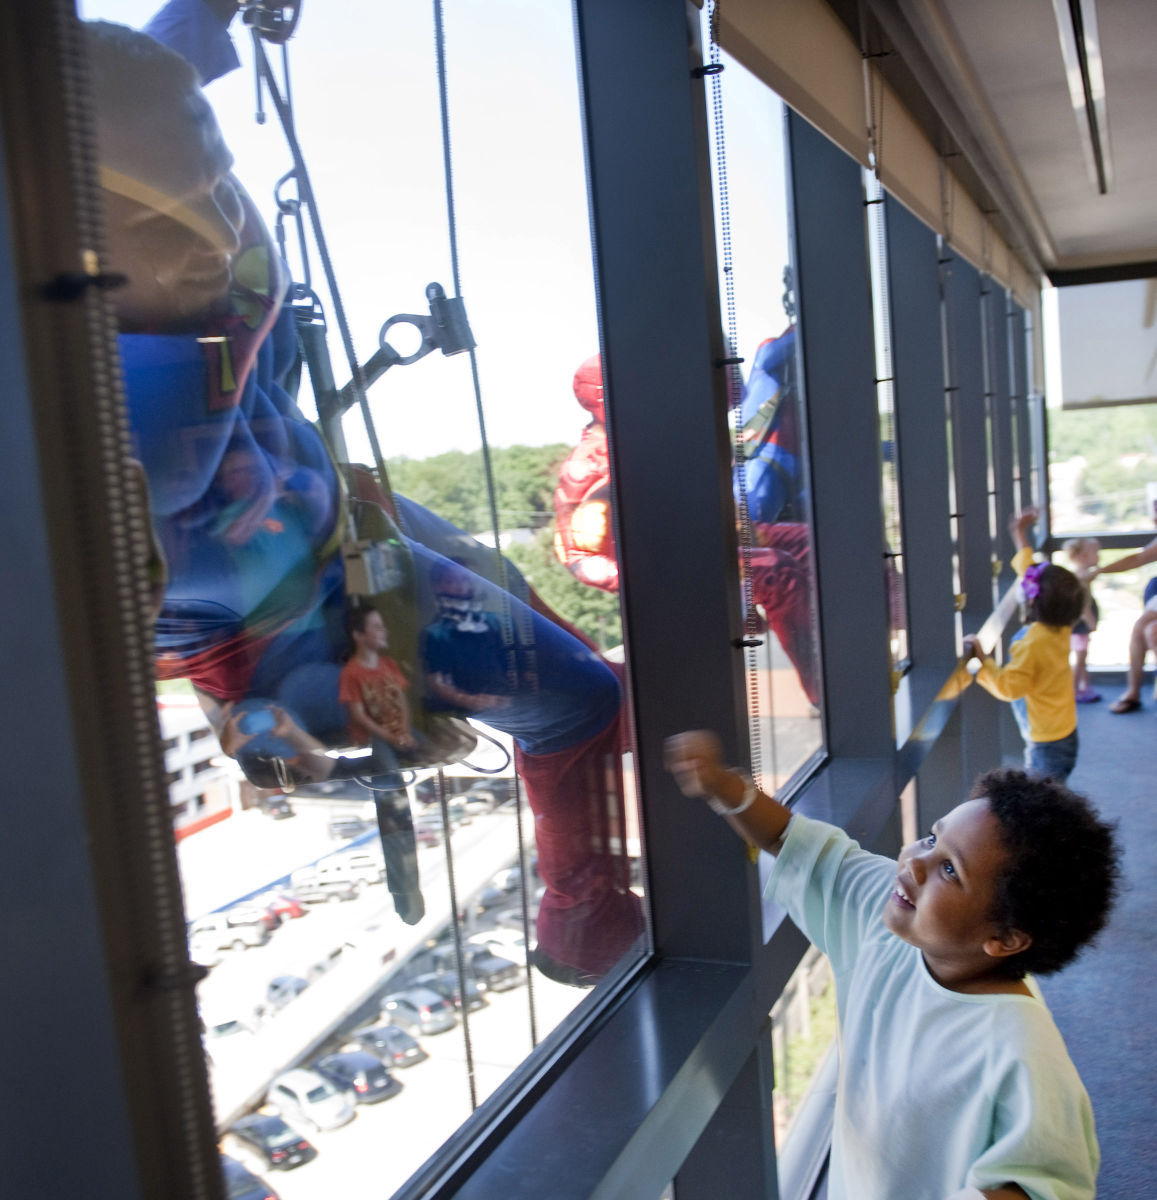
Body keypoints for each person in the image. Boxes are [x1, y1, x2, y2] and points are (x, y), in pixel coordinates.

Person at [91, 4, 642, 979]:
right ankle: (577, 908)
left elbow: (138, 85)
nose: (219, 227)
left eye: (218, 183)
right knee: (578, 702)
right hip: (285, 610)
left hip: (327, 532)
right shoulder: (116, 417)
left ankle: (270, 717)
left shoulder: (122, 176)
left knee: (510, 601)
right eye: (177, 213)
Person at [664, 729, 1120, 1200]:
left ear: (1004, 939)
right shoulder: (889, 922)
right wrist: (725, 787)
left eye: (949, 870)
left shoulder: (1022, 1049)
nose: (915, 863)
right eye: (930, 838)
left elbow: (1044, 1184)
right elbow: (790, 840)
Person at [962, 509, 1086, 783]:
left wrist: (984, 661)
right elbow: (1030, 572)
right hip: (1066, 732)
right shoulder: (1062, 625)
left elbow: (1010, 687)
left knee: (1042, 808)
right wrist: (1019, 533)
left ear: (1032, 601)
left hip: (1047, 744)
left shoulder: (1032, 642)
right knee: (1054, 798)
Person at [338, 607, 416, 751]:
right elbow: (359, 717)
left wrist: (405, 732)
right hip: (372, 741)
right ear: (358, 635)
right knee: (390, 768)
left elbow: (402, 701)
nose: (385, 631)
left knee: (430, 751)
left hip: (399, 734)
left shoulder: (390, 664)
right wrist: (392, 738)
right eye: (377, 627)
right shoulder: (350, 674)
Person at [1063, 537, 1101, 703]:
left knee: (1082, 655)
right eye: (1096, 552)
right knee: (1080, 657)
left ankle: (1084, 686)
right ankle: (1075, 689)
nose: (1099, 556)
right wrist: (1091, 621)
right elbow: (1083, 604)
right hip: (1080, 625)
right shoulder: (1080, 578)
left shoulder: (1081, 575)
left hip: (1079, 625)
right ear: (1084, 556)